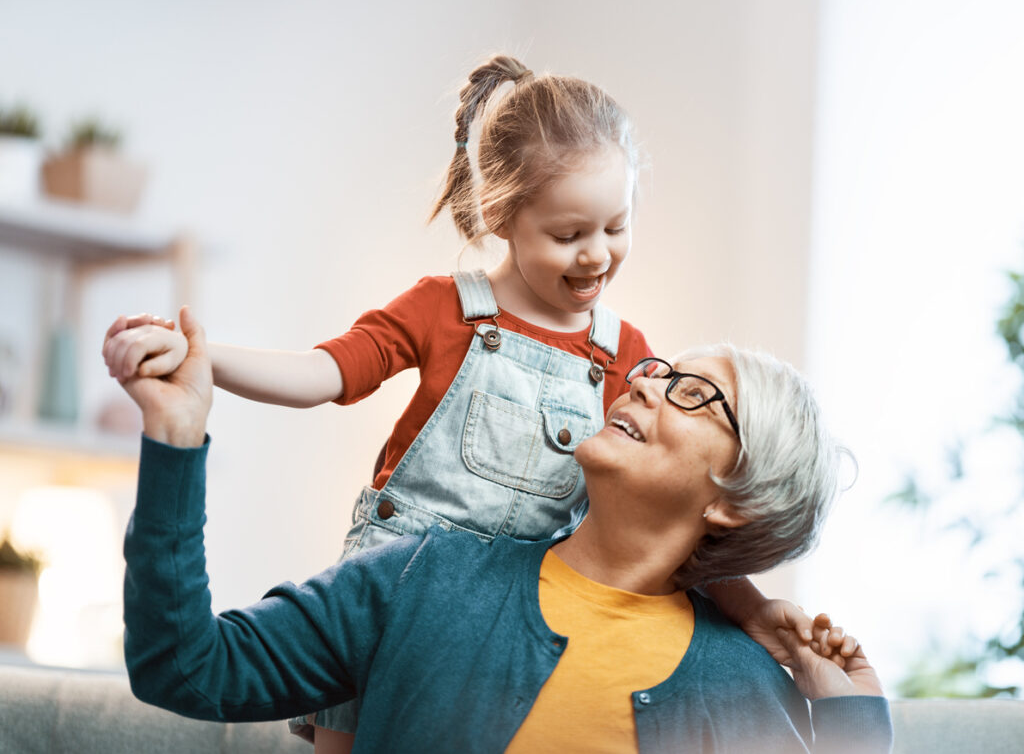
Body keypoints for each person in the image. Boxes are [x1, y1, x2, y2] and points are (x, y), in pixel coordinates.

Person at [102, 55, 814, 750]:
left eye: (615, 227)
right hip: (410, 592)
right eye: (569, 235)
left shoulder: (623, 351)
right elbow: (326, 371)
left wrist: (752, 608)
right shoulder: (446, 310)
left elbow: (683, 516)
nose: (596, 256)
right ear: (500, 216)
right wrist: (204, 361)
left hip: (523, 620)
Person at [118, 307, 893, 754]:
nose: (646, 380)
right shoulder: (421, 575)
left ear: (735, 498)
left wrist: (859, 724)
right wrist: (176, 439)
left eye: (693, 392)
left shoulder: (744, 685)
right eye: (657, 368)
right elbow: (184, 666)